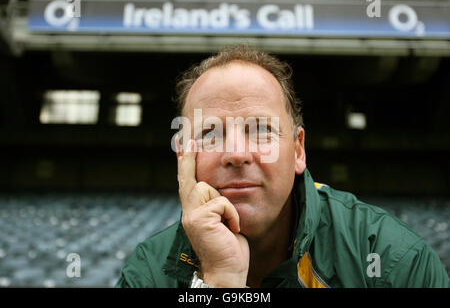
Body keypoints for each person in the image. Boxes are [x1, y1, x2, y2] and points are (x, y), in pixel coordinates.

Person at [116, 45, 449, 288]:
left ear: (298, 150)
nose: (236, 154)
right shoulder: (147, 274)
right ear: (184, 158)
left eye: (261, 130)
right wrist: (221, 283)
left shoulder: (395, 262)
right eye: (209, 133)